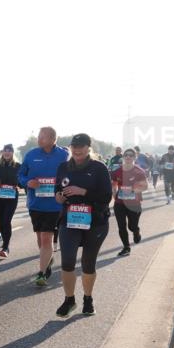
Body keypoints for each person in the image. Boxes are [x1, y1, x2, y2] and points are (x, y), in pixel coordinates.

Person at [54, 134, 112, 317]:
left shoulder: (99, 168)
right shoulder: (63, 167)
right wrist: (58, 197)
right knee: (67, 262)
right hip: (70, 220)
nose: (77, 150)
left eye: (81, 146)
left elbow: (106, 197)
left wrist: (83, 191)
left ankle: (88, 299)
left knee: (88, 263)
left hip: (95, 221)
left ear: (89, 148)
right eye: (74, 146)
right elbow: (57, 189)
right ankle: (69, 300)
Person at [18, 127, 69, 287]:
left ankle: (42, 273)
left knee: (47, 237)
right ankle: (47, 258)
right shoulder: (31, 155)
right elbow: (20, 175)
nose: (39, 139)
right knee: (40, 238)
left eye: (43, 136)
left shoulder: (64, 155)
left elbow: (71, 174)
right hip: (35, 204)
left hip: (55, 205)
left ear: (53, 139)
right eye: (39, 136)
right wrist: (27, 182)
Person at [111, 148, 148, 257]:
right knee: (121, 226)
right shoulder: (117, 171)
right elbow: (114, 184)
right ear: (123, 157)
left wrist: (132, 191)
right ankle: (126, 247)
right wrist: (114, 195)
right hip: (120, 203)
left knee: (132, 226)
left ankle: (136, 231)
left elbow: (145, 186)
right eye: (126, 155)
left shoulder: (139, 171)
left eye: (131, 155)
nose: (128, 157)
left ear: (134, 157)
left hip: (134, 204)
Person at [0, 145, 21, 258]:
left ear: (13, 153)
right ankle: (3, 241)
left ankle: (5, 247)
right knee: (1, 223)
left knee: (6, 221)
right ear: (2, 152)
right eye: (5, 151)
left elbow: (22, 181)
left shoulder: (18, 166)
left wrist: (21, 184)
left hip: (11, 198)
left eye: (9, 151)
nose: (7, 153)